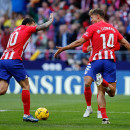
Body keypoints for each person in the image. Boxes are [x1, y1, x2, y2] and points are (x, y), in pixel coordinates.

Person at [54, 8, 130, 124]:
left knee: (100, 91)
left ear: (98, 16)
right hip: (109, 61)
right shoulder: (113, 29)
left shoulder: (93, 28)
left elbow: (79, 42)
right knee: (112, 93)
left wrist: (64, 48)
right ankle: (103, 115)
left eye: (92, 17)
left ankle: (105, 117)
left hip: (96, 62)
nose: (91, 20)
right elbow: (125, 44)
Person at [0, 13, 54, 122]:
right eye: (33, 24)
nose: (34, 27)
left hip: (3, 60)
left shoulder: (16, 30)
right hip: (14, 60)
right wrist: (50, 21)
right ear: (29, 24)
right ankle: (26, 114)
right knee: (26, 86)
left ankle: (27, 114)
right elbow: (42, 27)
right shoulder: (26, 29)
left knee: (2, 90)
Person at [82, 39, 120, 118]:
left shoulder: (108, 35)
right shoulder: (92, 35)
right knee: (87, 83)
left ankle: (100, 110)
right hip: (93, 62)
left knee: (100, 87)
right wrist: (87, 49)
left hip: (104, 62)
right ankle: (88, 108)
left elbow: (117, 46)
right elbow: (84, 48)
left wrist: (108, 49)